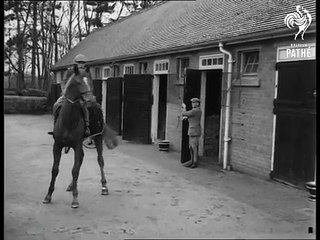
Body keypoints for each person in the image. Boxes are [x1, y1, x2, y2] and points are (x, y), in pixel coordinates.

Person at [48, 54, 94, 137]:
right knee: (56, 105)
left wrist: (89, 93)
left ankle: (87, 127)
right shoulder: (70, 71)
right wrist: (64, 91)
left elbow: (89, 83)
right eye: (80, 62)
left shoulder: (86, 72)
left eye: (83, 62)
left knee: (85, 108)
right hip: (68, 95)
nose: (82, 64)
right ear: (75, 63)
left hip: (81, 95)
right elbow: (64, 82)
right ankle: (55, 126)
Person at [181, 97, 202, 168]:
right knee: (191, 147)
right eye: (192, 103)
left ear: (197, 104)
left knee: (194, 147)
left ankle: (195, 162)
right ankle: (192, 160)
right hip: (192, 130)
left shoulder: (196, 111)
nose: (192, 104)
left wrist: (184, 107)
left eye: (194, 103)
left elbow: (184, 113)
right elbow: (191, 118)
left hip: (195, 130)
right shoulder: (195, 111)